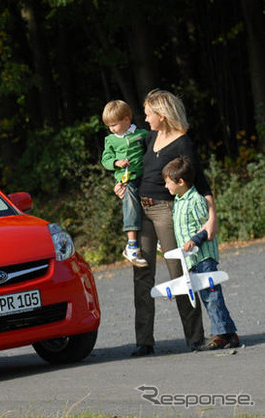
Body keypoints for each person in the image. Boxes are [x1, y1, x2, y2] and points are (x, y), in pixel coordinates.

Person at [115, 89, 216, 357]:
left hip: (166, 211)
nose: (145, 118)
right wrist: (122, 185)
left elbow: (200, 181)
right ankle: (144, 341)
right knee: (142, 274)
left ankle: (195, 338)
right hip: (142, 211)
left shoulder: (183, 143)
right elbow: (136, 170)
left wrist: (212, 217)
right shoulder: (149, 138)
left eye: (148, 114)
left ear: (162, 114)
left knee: (180, 272)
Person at [162, 156, 239, 350]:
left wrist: (195, 241)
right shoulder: (178, 201)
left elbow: (207, 228)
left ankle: (221, 334)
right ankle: (229, 333)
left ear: (180, 182)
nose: (165, 186)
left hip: (203, 256)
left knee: (211, 295)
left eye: (167, 182)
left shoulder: (195, 200)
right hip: (192, 259)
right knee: (207, 295)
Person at [101, 100, 148, 267]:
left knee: (153, 203)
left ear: (127, 120)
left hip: (145, 177)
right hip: (126, 180)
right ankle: (132, 245)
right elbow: (105, 160)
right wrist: (115, 162)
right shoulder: (111, 140)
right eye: (109, 126)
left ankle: (156, 237)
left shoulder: (141, 134)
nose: (112, 129)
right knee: (131, 205)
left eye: (114, 124)